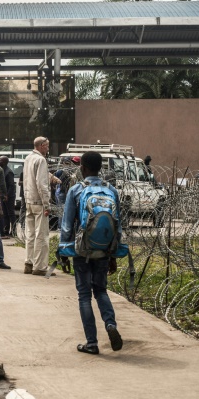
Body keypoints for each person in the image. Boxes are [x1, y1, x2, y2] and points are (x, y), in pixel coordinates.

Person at [59, 151, 123, 355]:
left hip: (82, 250)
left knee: (84, 295)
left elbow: (67, 225)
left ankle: (92, 343)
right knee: (101, 291)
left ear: (82, 168)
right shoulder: (111, 190)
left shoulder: (76, 190)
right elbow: (118, 226)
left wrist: (62, 250)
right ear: (100, 168)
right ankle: (111, 325)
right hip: (104, 250)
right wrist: (113, 254)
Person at [23, 136, 52, 276]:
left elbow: (27, 179)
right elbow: (41, 184)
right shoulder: (41, 160)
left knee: (30, 234)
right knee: (41, 235)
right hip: (39, 202)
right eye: (46, 146)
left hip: (29, 200)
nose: (48, 148)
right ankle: (40, 267)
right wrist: (47, 204)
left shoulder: (28, 158)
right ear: (41, 145)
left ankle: (28, 263)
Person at [0, 156, 15, 238]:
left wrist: (7, 195)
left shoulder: (9, 172)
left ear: (4, 162)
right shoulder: (2, 170)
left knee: (11, 213)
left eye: (0, 160)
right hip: (4, 196)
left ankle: (13, 231)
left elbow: (11, 185)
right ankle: (6, 230)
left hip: (9, 196)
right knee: (5, 214)